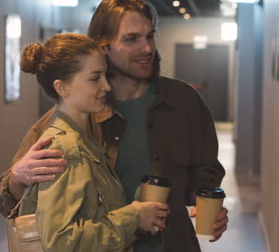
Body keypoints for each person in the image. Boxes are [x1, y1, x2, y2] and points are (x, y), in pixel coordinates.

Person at [0, 0, 228, 252]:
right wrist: (17, 178)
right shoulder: (68, 122)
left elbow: (206, 172)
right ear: (102, 47)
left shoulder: (184, 101)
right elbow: (14, 204)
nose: (148, 48)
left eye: (150, 36)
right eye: (131, 39)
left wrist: (207, 203)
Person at [16, 33, 169, 251]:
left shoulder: (84, 140)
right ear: (62, 88)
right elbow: (61, 241)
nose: (106, 86)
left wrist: (140, 207)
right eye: (95, 78)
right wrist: (133, 216)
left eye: (105, 76)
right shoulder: (67, 149)